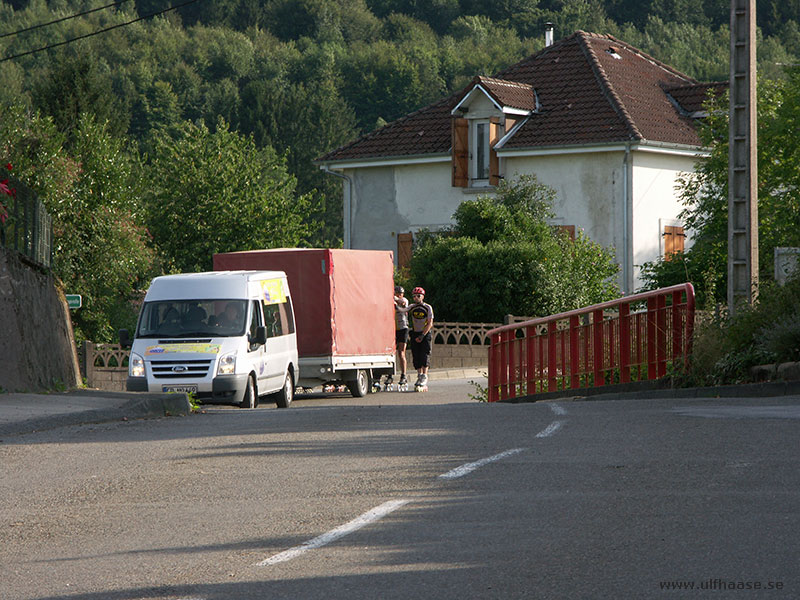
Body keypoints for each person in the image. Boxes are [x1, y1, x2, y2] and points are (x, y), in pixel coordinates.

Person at [403, 286, 434, 388]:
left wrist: (423, 335)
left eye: (418, 296)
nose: (416, 298)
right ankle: (419, 375)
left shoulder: (428, 307)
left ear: (423, 296)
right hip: (415, 332)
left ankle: (424, 375)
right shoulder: (412, 306)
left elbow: (430, 323)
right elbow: (403, 310)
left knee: (424, 354)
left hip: (424, 333)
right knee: (416, 355)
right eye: (414, 296)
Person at [392, 286, 409, 387]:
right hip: (393, 329)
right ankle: (390, 374)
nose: (399, 295)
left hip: (403, 328)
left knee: (401, 352)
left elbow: (402, 303)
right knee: (392, 352)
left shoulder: (404, 300)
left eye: (400, 293)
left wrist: (394, 298)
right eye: (397, 293)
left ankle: (404, 375)